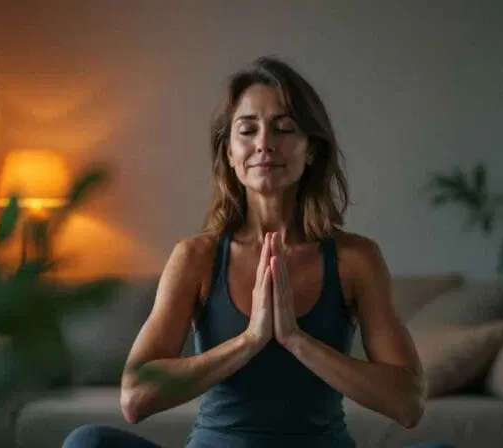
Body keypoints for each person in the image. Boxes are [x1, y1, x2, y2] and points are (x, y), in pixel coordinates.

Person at [63, 57, 452, 448]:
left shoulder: (355, 259)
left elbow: (408, 402)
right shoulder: (196, 257)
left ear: (311, 150)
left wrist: (296, 340)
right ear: (230, 154)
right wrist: (249, 340)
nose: (264, 143)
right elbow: (135, 397)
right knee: (88, 443)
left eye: (284, 128)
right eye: (247, 130)